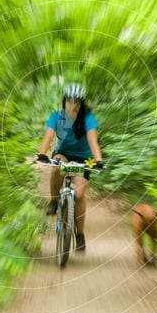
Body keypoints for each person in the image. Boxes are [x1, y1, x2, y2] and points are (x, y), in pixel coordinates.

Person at [36, 83, 104, 252]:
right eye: (69, 100)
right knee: (58, 166)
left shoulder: (88, 118)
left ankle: (79, 234)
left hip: (84, 158)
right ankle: (53, 201)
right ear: (64, 101)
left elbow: (92, 140)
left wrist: (98, 160)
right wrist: (42, 154)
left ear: (81, 104)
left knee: (79, 195)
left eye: (76, 102)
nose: (72, 105)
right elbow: (49, 136)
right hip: (64, 153)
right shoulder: (58, 117)